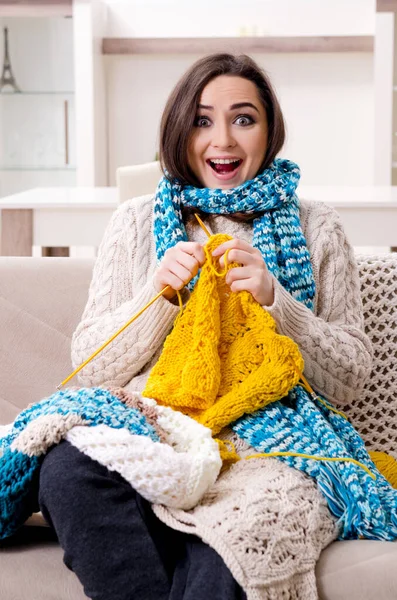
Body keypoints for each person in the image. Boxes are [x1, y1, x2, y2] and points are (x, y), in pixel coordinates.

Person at [38, 53, 373, 600]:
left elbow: (351, 378)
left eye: (244, 118)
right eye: (202, 119)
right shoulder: (136, 221)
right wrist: (158, 296)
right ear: (179, 129)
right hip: (158, 429)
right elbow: (89, 368)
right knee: (68, 471)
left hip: (269, 445)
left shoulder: (318, 226)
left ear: (270, 131)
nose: (223, 139)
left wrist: (277, 304)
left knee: (238, 536)